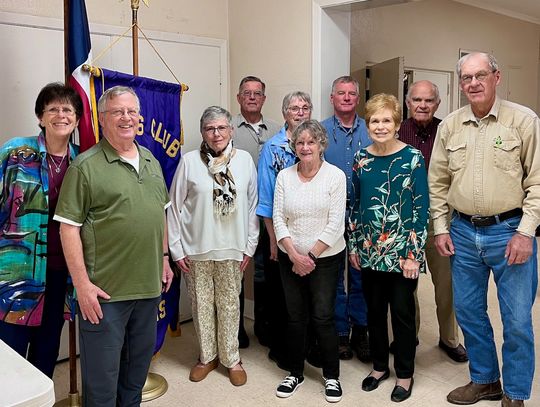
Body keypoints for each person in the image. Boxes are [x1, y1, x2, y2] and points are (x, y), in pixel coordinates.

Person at [429, 52, 539, 407]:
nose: (473, 83)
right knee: (469, 312)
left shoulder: (523, 121)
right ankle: (485, 380)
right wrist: (441, 228)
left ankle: (516, 393)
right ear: (460, 84)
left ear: (496, 77)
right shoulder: (451, 125)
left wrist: (526, 232)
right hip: (461, 232)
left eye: (480, 75)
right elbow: (438, 182)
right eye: (466, 78)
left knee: (518, 319)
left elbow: (538, 182)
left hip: (510, 230)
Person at [54, 86, 174, 407]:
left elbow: (159, 214)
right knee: (102, 386)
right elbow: (68, 229)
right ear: (102, 119)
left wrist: (164, 257)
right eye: (117, 112)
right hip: (105, 296)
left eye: (131, 112)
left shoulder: (150, 159)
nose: (126, 118)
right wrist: (82, 285)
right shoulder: (85, 167)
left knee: (134, 379)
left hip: (148, 291)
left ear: (139, 118)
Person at [168, 106, 259, 387]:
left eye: (221, 127)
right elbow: (173, 207)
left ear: (231, 130)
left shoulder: (244, 161)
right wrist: (177, 248)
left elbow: (253, 206)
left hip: (233, 248)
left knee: (231, 306)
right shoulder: (190, 162)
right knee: (202, 305)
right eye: (210, 128)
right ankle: (207, 357)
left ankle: (232, 358)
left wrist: (249, 246)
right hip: (197, 248)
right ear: (202, 133)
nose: (216, 133)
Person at [349, 93, 429, 403]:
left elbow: (421, 209)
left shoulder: (412, 158)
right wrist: (355, 247)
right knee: (374, 312)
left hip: (402, 254)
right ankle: (380, 367)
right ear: (367, 125)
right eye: (374, 121)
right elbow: (355, 206)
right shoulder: (362, 159)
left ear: (396, 124)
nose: (380, 126)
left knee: (402, 314)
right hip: (369, 250)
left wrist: (413, 255)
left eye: (386, 120)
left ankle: (405, 373)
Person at [0, 83, 81, 378]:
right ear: (40, 116)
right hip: (17, 274)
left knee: (46, 352)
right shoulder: (15, 152)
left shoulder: (82, 161)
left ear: (77, 119)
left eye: (67, 110)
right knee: (10, 355)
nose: (61, 115)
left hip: (62, 272)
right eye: (53, 109)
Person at [273, 119, 345, 403]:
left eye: (311, 142)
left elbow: (336, 223)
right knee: (295, 318)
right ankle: (295, 373)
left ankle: (331, 376)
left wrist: (310, 256)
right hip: (290, 258)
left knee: (323, 317)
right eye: (300, 142)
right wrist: (293, 255)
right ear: (295, 146)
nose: (305, 147)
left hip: (324, 259)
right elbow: (278, 218)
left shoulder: (334, 176)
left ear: (321, 145)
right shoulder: (284, 177)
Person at [399, 80, 468, 363]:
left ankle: (449, 338)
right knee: (406, 282)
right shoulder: (397, 130)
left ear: (437, 104)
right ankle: (408, 336)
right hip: (405, 218)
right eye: (417, 100)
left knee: (446, 283)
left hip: (441, 218)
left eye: (428, 101)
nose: (422, 105)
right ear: (408, 103)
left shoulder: (449, 130)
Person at [257, 91, 312, 370]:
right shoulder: (272, 148)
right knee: (281, 296)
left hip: (310, 233)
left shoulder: (316, 143)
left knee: (308, 294)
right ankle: (281, 348)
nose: (300, 112)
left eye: (305, 107)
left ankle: (307, 347)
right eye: (294, 108)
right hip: (279, 233)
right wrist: (272, 241)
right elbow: (265, 200)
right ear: (285, 114)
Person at [321, 75, 371, 362]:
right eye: (341, 93)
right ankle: (340, 332)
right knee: (334, 278)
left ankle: (361, 331)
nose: (347, 97)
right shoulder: (321, 131)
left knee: (360, 275)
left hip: (364, 214)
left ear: (357, 98)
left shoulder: (372, 129)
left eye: (352, 93)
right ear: (332, 98)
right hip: (331, 214)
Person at [232, 76, 281, 348]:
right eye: (246, 93)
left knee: (265, 273)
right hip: (239, 214)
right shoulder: (227, 129)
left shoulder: (278, 129)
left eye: (257, 93)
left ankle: (264, 327)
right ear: (239, 98)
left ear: (264, 98)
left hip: (271, 215)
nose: (252, 97)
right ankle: (236, 330)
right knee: (237, 271)